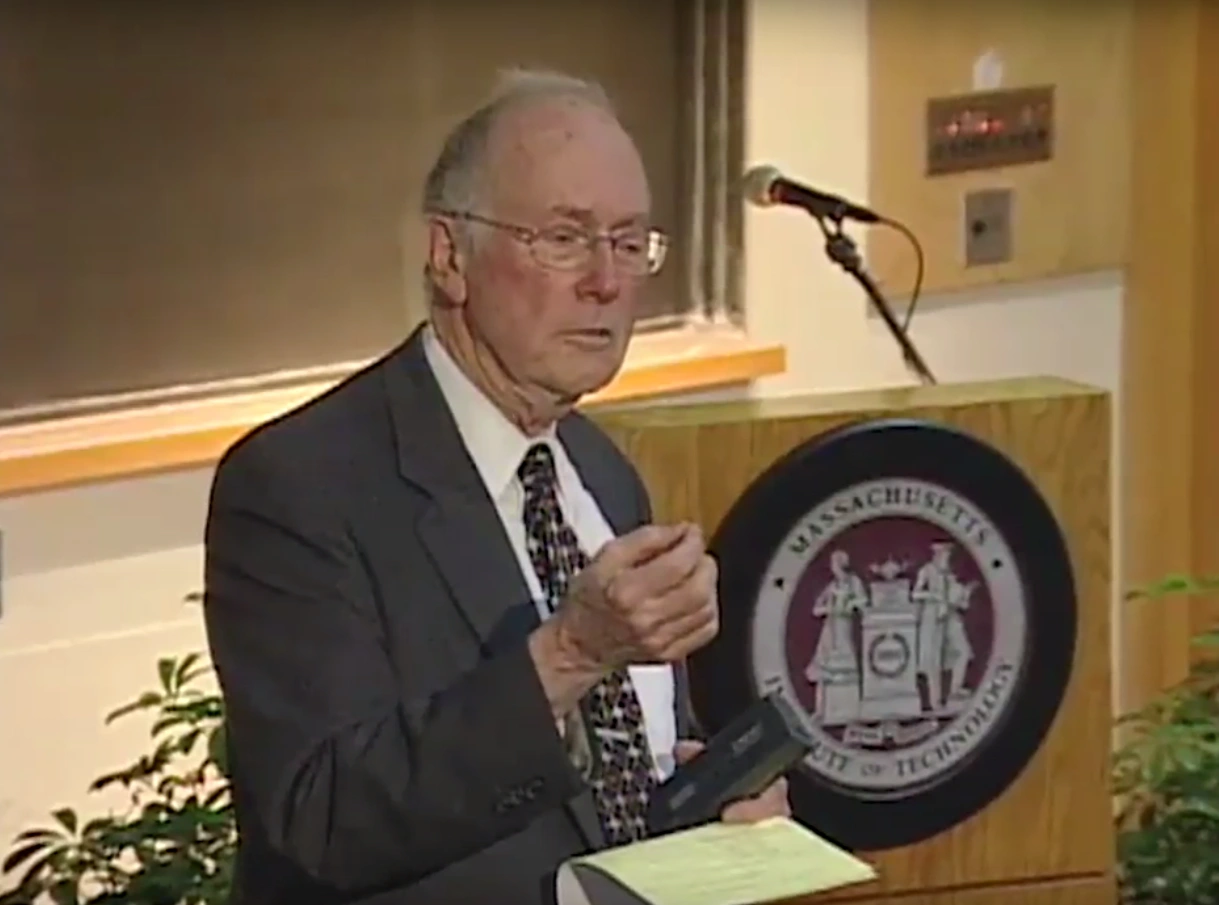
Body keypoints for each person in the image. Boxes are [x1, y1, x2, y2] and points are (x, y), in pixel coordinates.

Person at [202, 68, 790, 905]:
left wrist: (710, 809)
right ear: (449, 256)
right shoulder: (298, 486)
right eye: (563, 238)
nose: (606, 281)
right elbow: (322, 818)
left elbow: (617, 788)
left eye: (629, 242)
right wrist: (570, 655)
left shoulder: (603, 473)